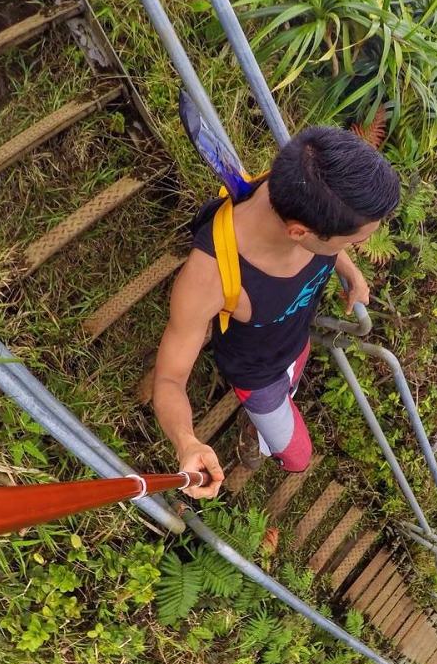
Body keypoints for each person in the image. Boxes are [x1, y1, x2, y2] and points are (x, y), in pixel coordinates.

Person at [153, 126, 400, 498]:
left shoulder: (297, 188)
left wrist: (351, 272)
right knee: (299, 458)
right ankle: (255, 427)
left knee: (294, 383)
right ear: (299, 232)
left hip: (296, 343)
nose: (358, 245)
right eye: (354, 242)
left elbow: (330, 239)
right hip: (258, 376)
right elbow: (169, 381)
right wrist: (187, 443)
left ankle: (262, 422)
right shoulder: (212, 276)